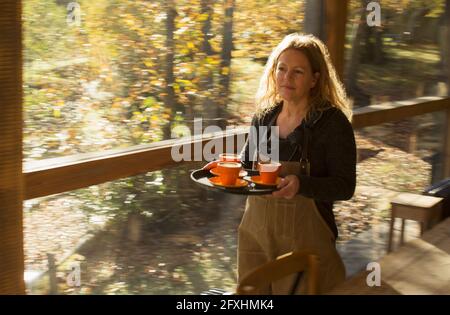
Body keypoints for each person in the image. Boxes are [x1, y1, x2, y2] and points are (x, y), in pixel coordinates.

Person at [238, 33, 356, 294]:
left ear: (315, 79)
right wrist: (227, 172)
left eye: (297, 72)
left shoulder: (331, 124)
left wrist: (301, 184)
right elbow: (246, 165)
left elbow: (345, 186)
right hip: (256, 238)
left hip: (306, 245)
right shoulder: (265, 117)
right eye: (281, 69)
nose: (286, 78)